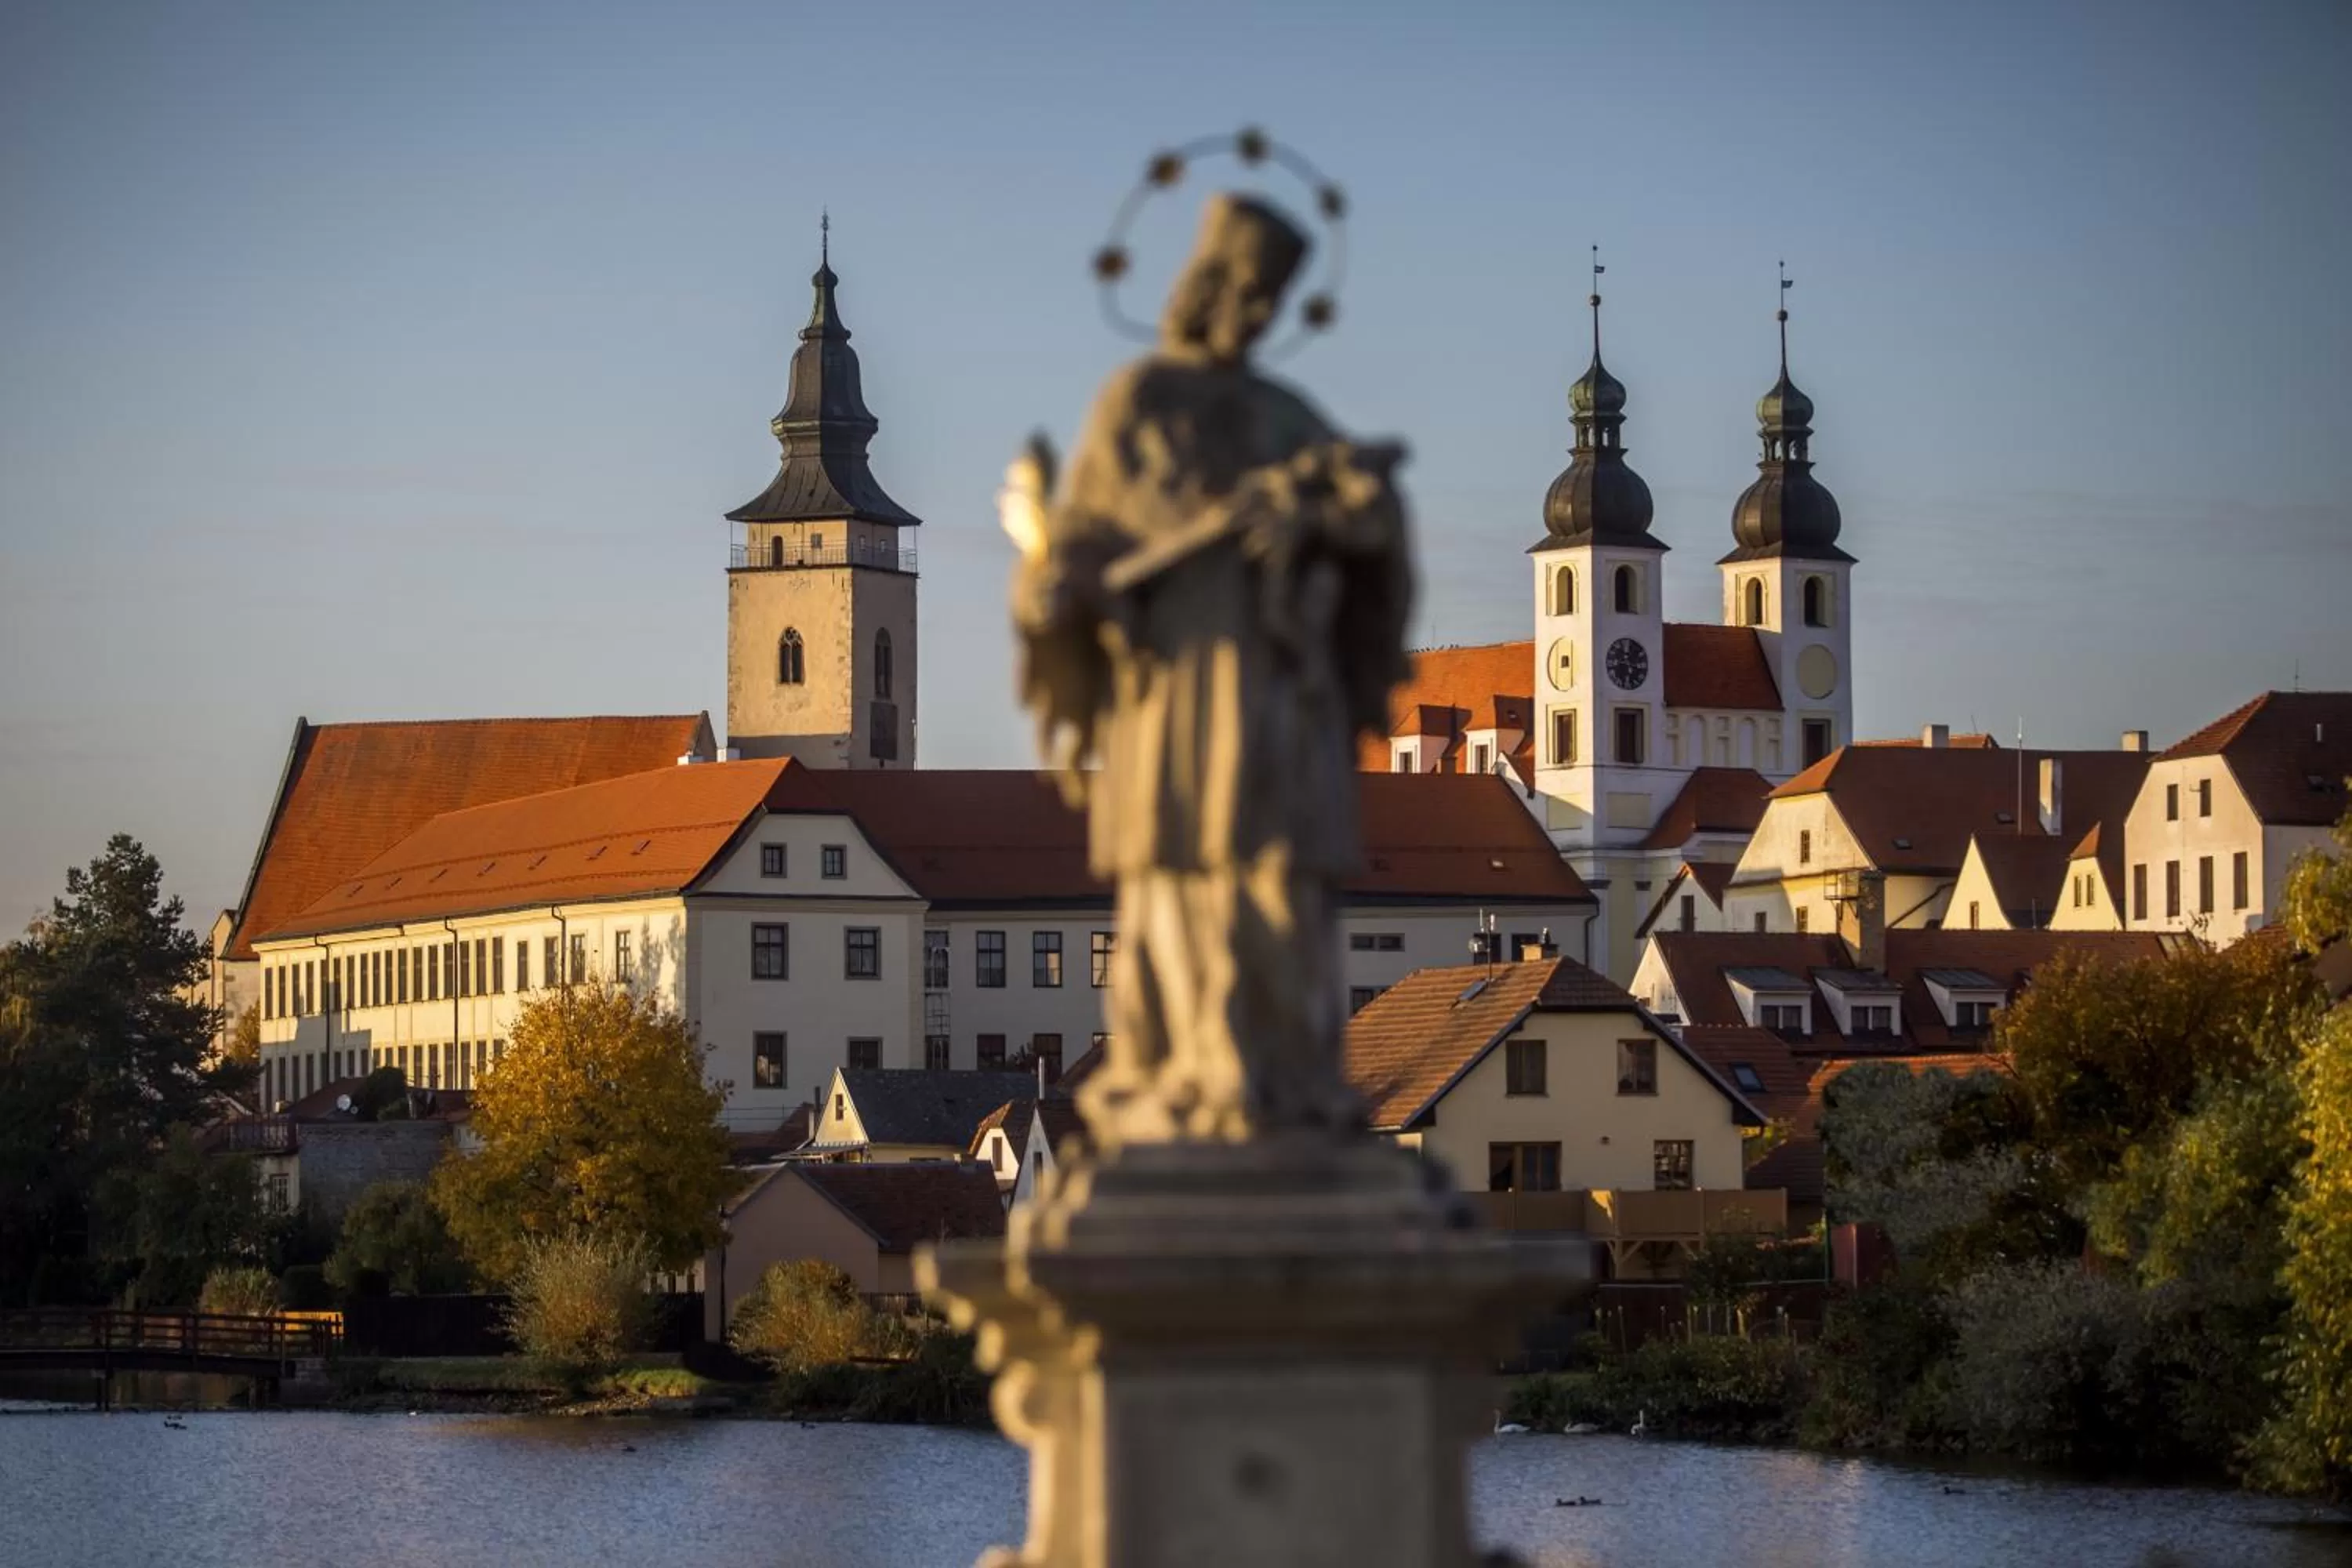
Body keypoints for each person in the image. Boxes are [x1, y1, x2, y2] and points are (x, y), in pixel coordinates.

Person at [1005, 191, 1414, 1148]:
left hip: (1276, 682)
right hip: (1173, 683)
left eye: (1271, 298)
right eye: (1242, 290)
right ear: (1201, 285)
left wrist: (1323, 519)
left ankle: (1280, 1074)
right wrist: (1055, 588)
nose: (1257, 313)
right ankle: (1190, 1066)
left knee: (1277, 868)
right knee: (1180, 867)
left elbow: (1372, 527)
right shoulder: (1139, 402)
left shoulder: (1288, 416)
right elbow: (1081, 539)